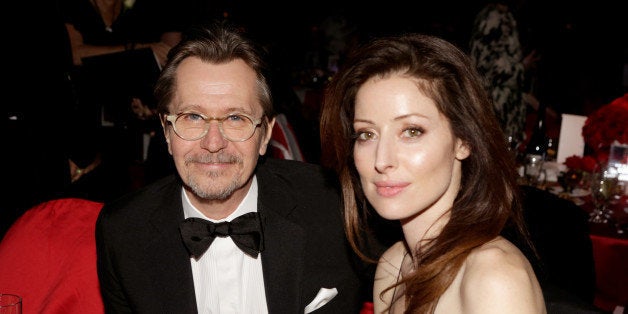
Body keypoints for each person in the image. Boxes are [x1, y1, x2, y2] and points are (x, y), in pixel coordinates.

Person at [95, 22, 363, 313]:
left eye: (235, 118)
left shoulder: (336, 206)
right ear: (166, 131)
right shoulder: (123, 232)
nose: (213, 143)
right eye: (193, 117)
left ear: (265, 133)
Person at [319, 33, 546, 313]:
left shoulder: (494, 277)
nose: (382, 160)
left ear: (463, 140)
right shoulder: (394, 266)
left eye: (412, 131)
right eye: (367, 134)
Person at [469, 0, 542, 148]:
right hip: (496, 108)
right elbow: (484, 65)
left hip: (506, 109)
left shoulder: (506, 16)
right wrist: (522, 67)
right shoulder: (494, 17)